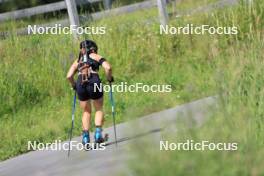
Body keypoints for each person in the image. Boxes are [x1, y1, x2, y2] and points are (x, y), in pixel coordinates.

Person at [66, 40, 113, 145]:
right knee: (98, 109)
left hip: (80, 83)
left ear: (82, 50)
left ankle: (86, 138)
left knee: (86, 111)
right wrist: (109, 78)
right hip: (94, 81)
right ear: (93, 49)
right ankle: (98, 135)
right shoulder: (95, 56)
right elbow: (108, 67)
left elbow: (69, 76)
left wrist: (74, 86)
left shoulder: (78, 61)